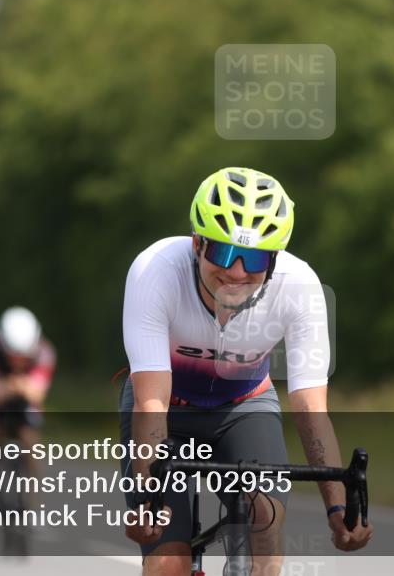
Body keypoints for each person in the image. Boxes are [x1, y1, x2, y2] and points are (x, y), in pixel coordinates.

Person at [120, 167, 373, 576]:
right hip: (167, 409)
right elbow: (152, 400)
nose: (237, 271)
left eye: (254, 258)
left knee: (266, 528)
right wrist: (149, 500)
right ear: (197, 244)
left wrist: (338, 508)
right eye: (222, 253)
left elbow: (311, 408)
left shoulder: (300, 286)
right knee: (168, 557)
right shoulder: (155, 271)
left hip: (243, 406)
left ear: (274, 260)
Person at [0, 307, 56, 477]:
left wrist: (11, 386)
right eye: (12, 356)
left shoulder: (45, 351)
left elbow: (37, 394)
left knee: (30, 437)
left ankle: (33, 487)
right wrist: (18, 385)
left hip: (20, 397)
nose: (18, 362)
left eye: (24, 357)